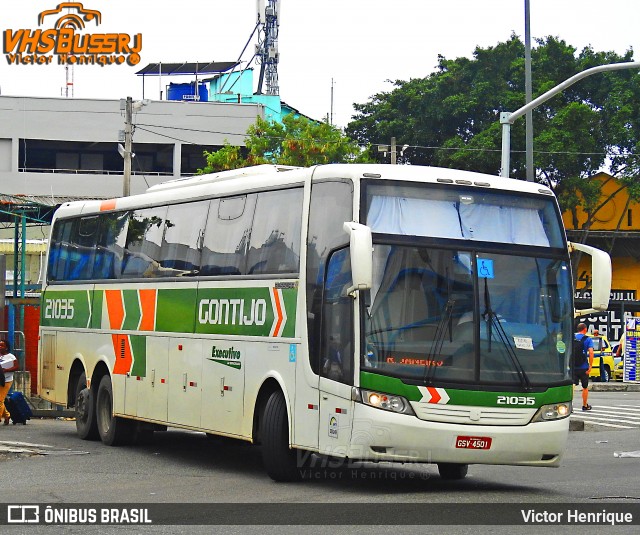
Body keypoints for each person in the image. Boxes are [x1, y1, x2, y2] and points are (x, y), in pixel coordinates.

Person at [574, 323, 594, 411]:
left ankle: (569, 405)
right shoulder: (588, 339)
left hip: (573, 367)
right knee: (585, 387)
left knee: (572, 385)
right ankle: (585, 405)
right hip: (583, 367)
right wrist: (590, 365)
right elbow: (591, 352)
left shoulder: (572, 337)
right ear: (585, 329)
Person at [0, 339, 20, 425]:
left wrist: (6, 370)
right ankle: (7, 415)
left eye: (2, 345)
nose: (0, 347)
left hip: (7, 380)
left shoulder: (11, 357)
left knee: (0, 400)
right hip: (0, 379)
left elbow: (16, 367)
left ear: (6, 347)